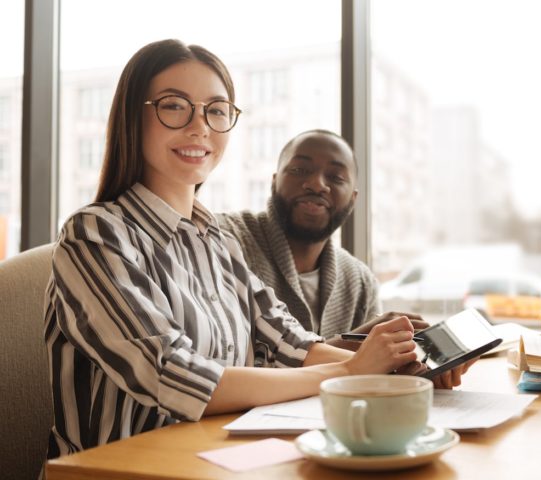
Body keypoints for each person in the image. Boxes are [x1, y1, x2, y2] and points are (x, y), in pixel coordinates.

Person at [43, 39, 432, 459]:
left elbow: (290, 344)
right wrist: (348, 371)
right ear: (132, 117)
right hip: (121, 470)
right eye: (175, 106)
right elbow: (173, 376)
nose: (200, 127)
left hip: (215, 459)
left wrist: (397, 366)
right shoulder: (95, 234)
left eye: (216, 110)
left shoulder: (217, 241)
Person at [218, 130, 428, 348]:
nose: (317, 185)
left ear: (353, 198)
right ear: (274, 181)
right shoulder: (224, 239)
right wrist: (357, 343)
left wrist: (411, 367)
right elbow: (232, 363)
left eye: (336, 177)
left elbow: (367, 378)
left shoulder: (360, 281)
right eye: (300, 170)